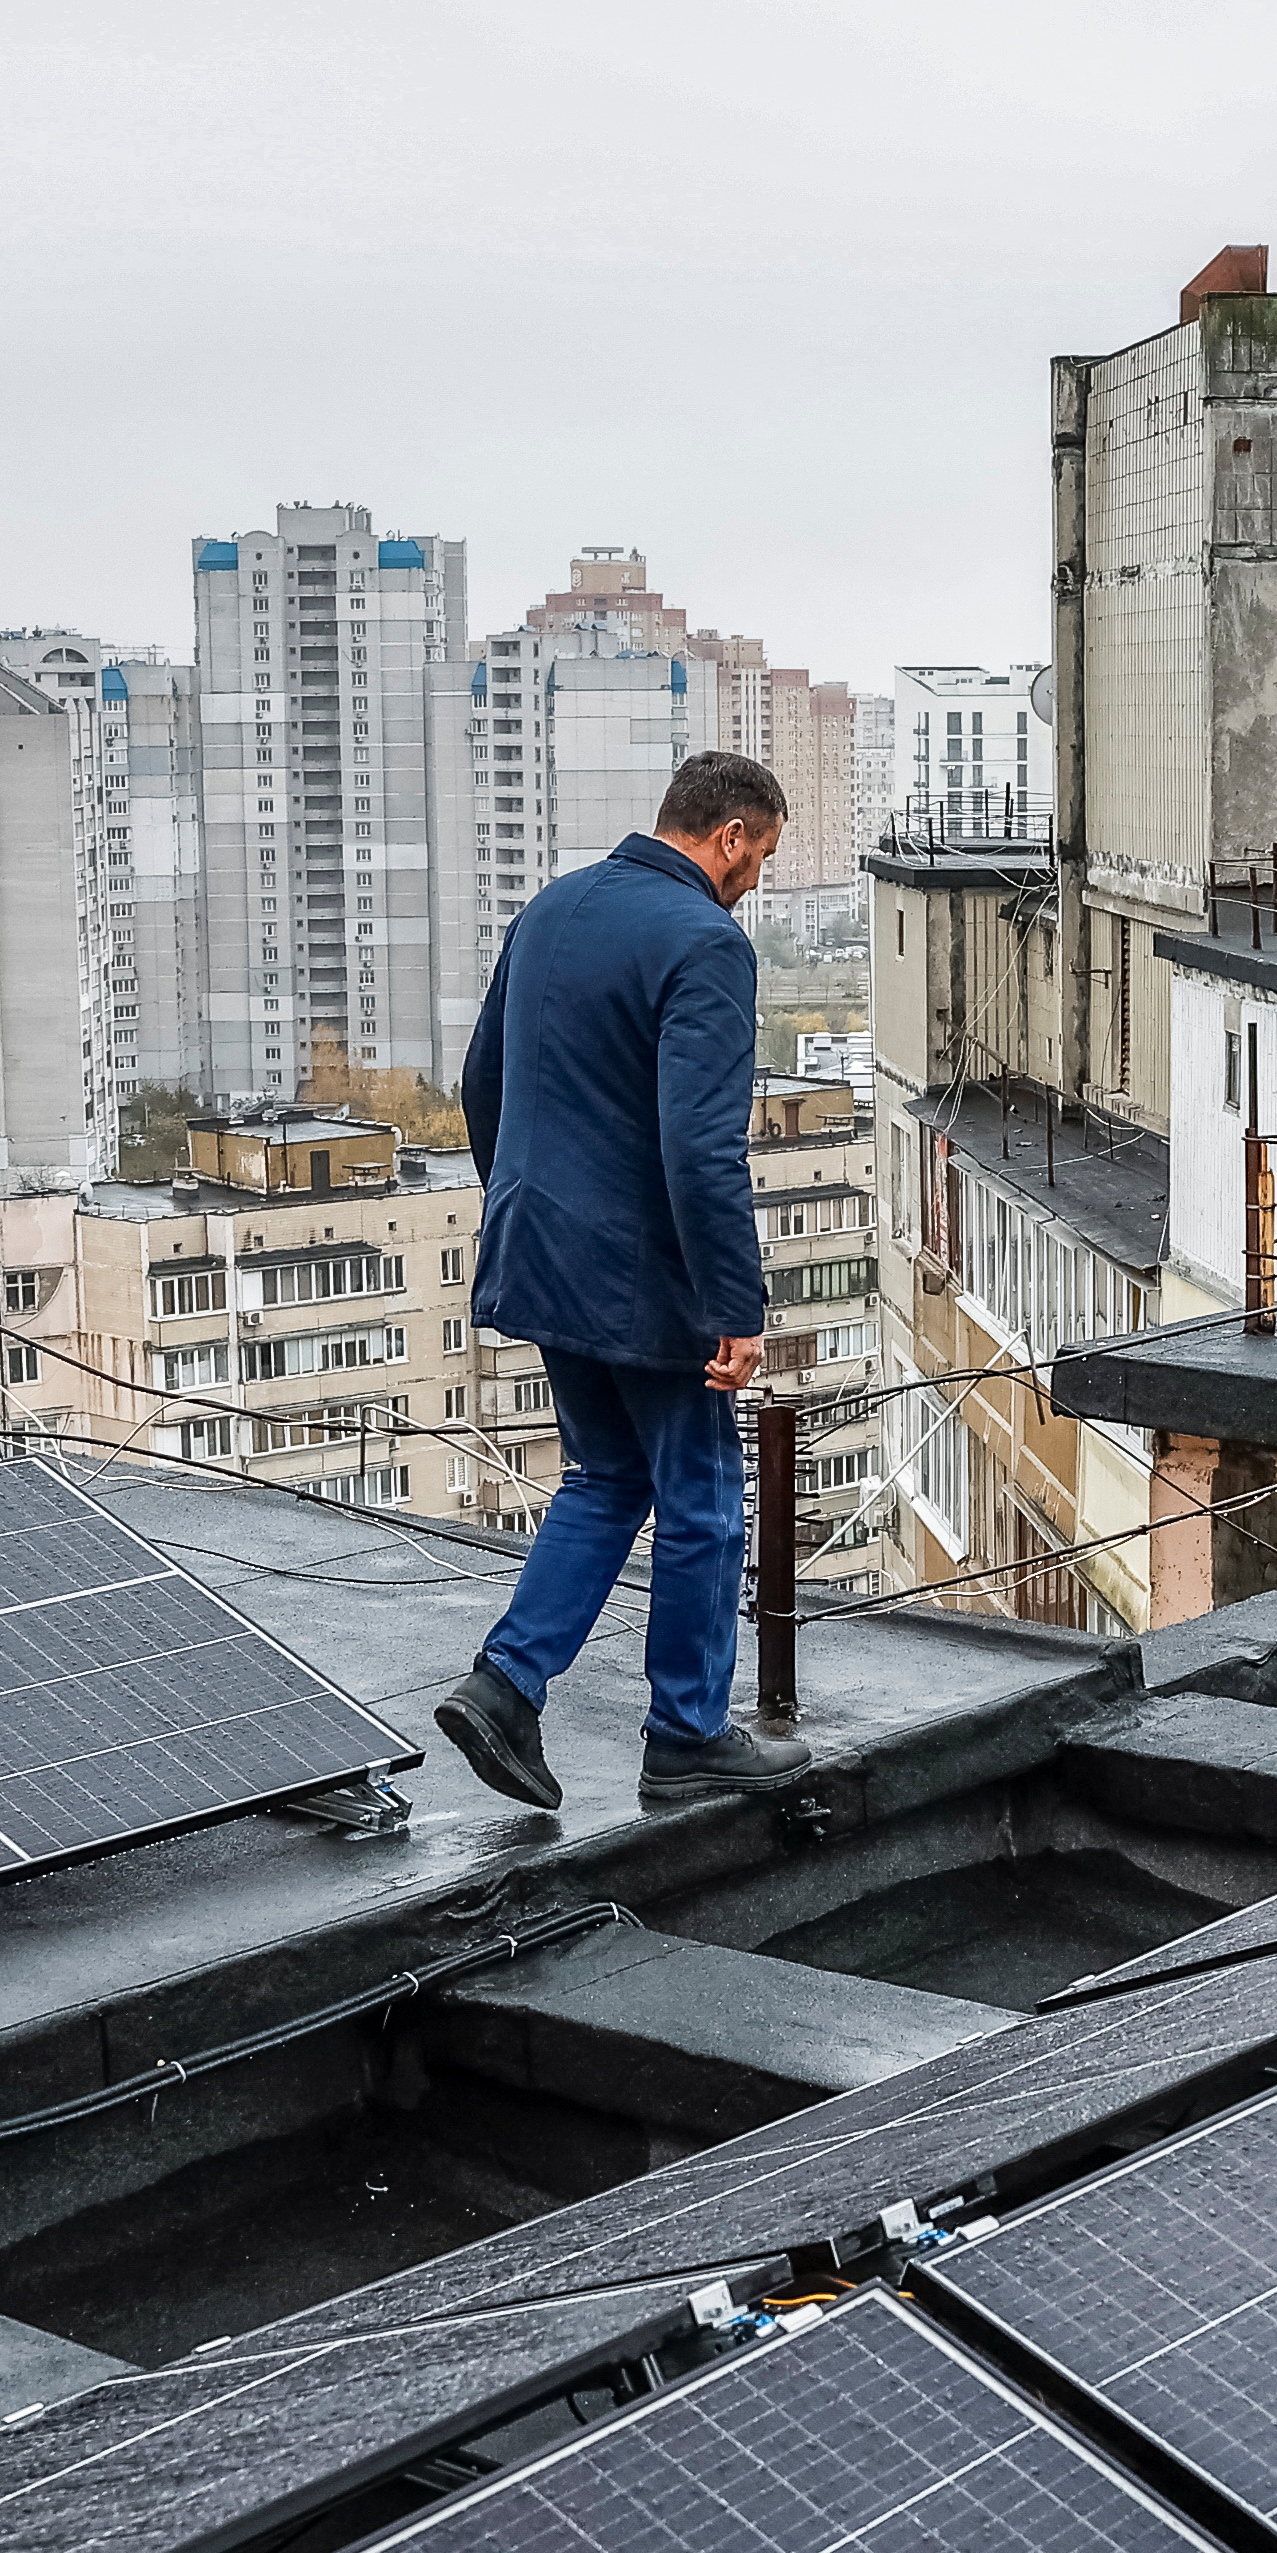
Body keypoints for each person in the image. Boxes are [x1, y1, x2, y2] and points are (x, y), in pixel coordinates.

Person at [432, 750, 818, 1814]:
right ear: (729, 834)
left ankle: (504, 1684)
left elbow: (481, 1083)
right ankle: (687, 1735)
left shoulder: (553, 908)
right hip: (648, 1282)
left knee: (605, 1477)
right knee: (700, 1496)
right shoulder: (705, 941)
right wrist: (734, 1307)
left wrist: (532, 1204)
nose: (756, 882)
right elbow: (701, 1147)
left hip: (541, 1251)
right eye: (761, 857)